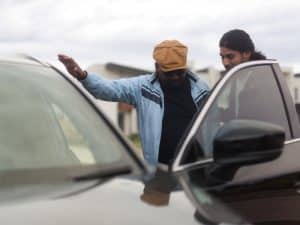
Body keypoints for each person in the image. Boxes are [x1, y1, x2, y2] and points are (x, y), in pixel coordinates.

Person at [58, 40, 210, 167]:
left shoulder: (201, 88)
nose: (176, 77)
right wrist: (83, 76)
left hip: (195, 169)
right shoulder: (142, 88)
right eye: (170, 73)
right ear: (157, 67)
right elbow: (107, 89)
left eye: (180, 72)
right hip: (159, 173)